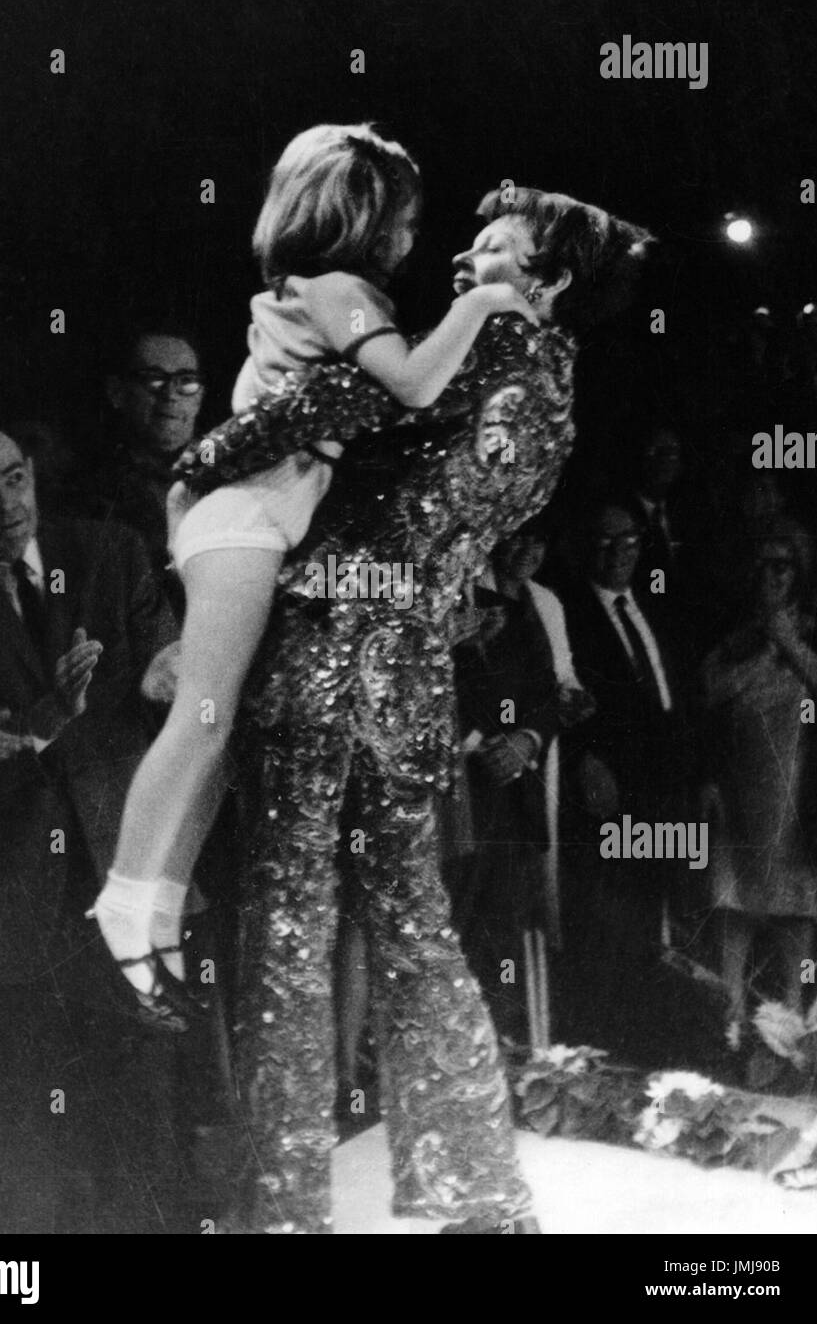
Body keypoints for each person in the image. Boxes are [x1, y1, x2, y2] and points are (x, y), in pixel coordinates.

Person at [167, 182, 649, 1233]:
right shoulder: (557, 393)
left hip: (322, 652)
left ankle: (284, 1208)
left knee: (290, 923)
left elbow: (290, 420)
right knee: (413, 927)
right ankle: (472, 1180)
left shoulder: (452, 360)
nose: (465, 258)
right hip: (413, 678)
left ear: (551, 278)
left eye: (494, 246)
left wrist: (200, 458)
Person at [94, 123, 537, 1006]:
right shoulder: (339, 288)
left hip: (259, 521)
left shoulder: (307, 291)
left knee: (223, 739)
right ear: (364, 212)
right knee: (205, 720)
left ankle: (162, 906)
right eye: (406, 217)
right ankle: (125, 897)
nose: (414, 238)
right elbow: (412, 381)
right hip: (245, 522)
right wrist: (484, 308)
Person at [0, 427, 185, 1232]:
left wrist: (176, 675)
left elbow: (167, 665)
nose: (7, 506)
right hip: (7, 895)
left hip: (122, 878)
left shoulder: (111, 552)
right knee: (23, 1123)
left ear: (33, 473)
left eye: (14, 480)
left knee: (144, 1110)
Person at [557, 498, 694, 1063]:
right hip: (607, 794)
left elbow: (677, 697)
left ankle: (648, 1053)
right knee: (604, 921)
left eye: (630, 540)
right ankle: (600, 1052)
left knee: (649, 917)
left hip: (661, 790)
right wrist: (583, 759)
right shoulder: (567, 608)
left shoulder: (653, 604)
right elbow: (559, 691)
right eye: (605, 541)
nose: (619, 553)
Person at [449, 516, 593, 1042]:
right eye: (517, 535)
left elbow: (561, 685)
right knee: (459, 912)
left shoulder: (546, 602)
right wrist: (479, 744)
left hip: (525, 777)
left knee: (510, 915)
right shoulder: (458, 589)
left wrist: (528, 739)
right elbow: (433, 680)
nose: (528, 548)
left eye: (540, 537)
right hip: (465, 778)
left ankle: (512, 1042)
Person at [699, 518, 817, 1051]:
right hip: (740, 781)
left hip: (801, 784)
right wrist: (761, 648)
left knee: (795, 907)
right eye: (762, 564)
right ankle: (726, 1022)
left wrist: (790, 643)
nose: (771, 575)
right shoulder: (732, 631)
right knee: (735, 901)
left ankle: (795, 1030)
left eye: (783, 565)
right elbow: (709, 691)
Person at [86, 322, 207, 615]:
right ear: (117, 393)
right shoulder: (89, 492)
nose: (171, 394)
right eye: (154, 378)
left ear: (200, 397)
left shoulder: (233, 475)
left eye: (186, 380)